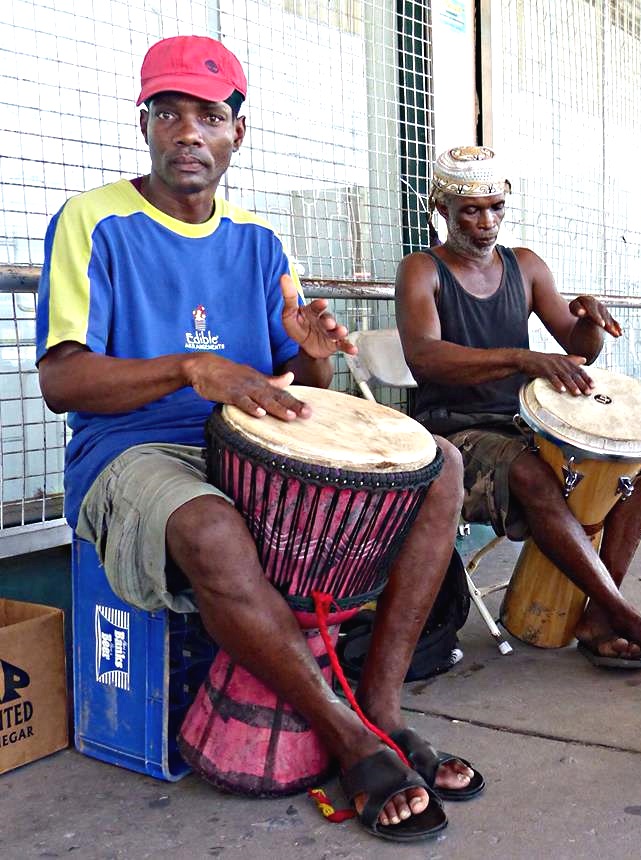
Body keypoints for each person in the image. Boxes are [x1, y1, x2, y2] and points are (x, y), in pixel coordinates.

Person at [36, 36, 481, 842]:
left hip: (246, 447)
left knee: (439, 464)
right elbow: (61, 382)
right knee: (210, 525)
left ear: (238, 132)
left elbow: (304, 397)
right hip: (132, 452)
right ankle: (350, 739)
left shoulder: (260, 244)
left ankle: (382, 710)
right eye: (167, 113)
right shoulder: (94, 222)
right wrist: (188, 369)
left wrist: (313, 350)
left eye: (209, 115)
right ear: (144, 125)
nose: (187, 133)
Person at [394, 145, 641, 676]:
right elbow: (425, 358)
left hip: (523, 425)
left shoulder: (525, 266)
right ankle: (630, 620)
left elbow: (578, 347)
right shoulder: (422, 270)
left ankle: (600, 619)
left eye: (496, 207)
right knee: (529, 471)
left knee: (638, 469)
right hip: (454, 434)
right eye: (471, 210)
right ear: (440, 207)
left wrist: (589, 318)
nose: (487, 222)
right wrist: (520, 357)